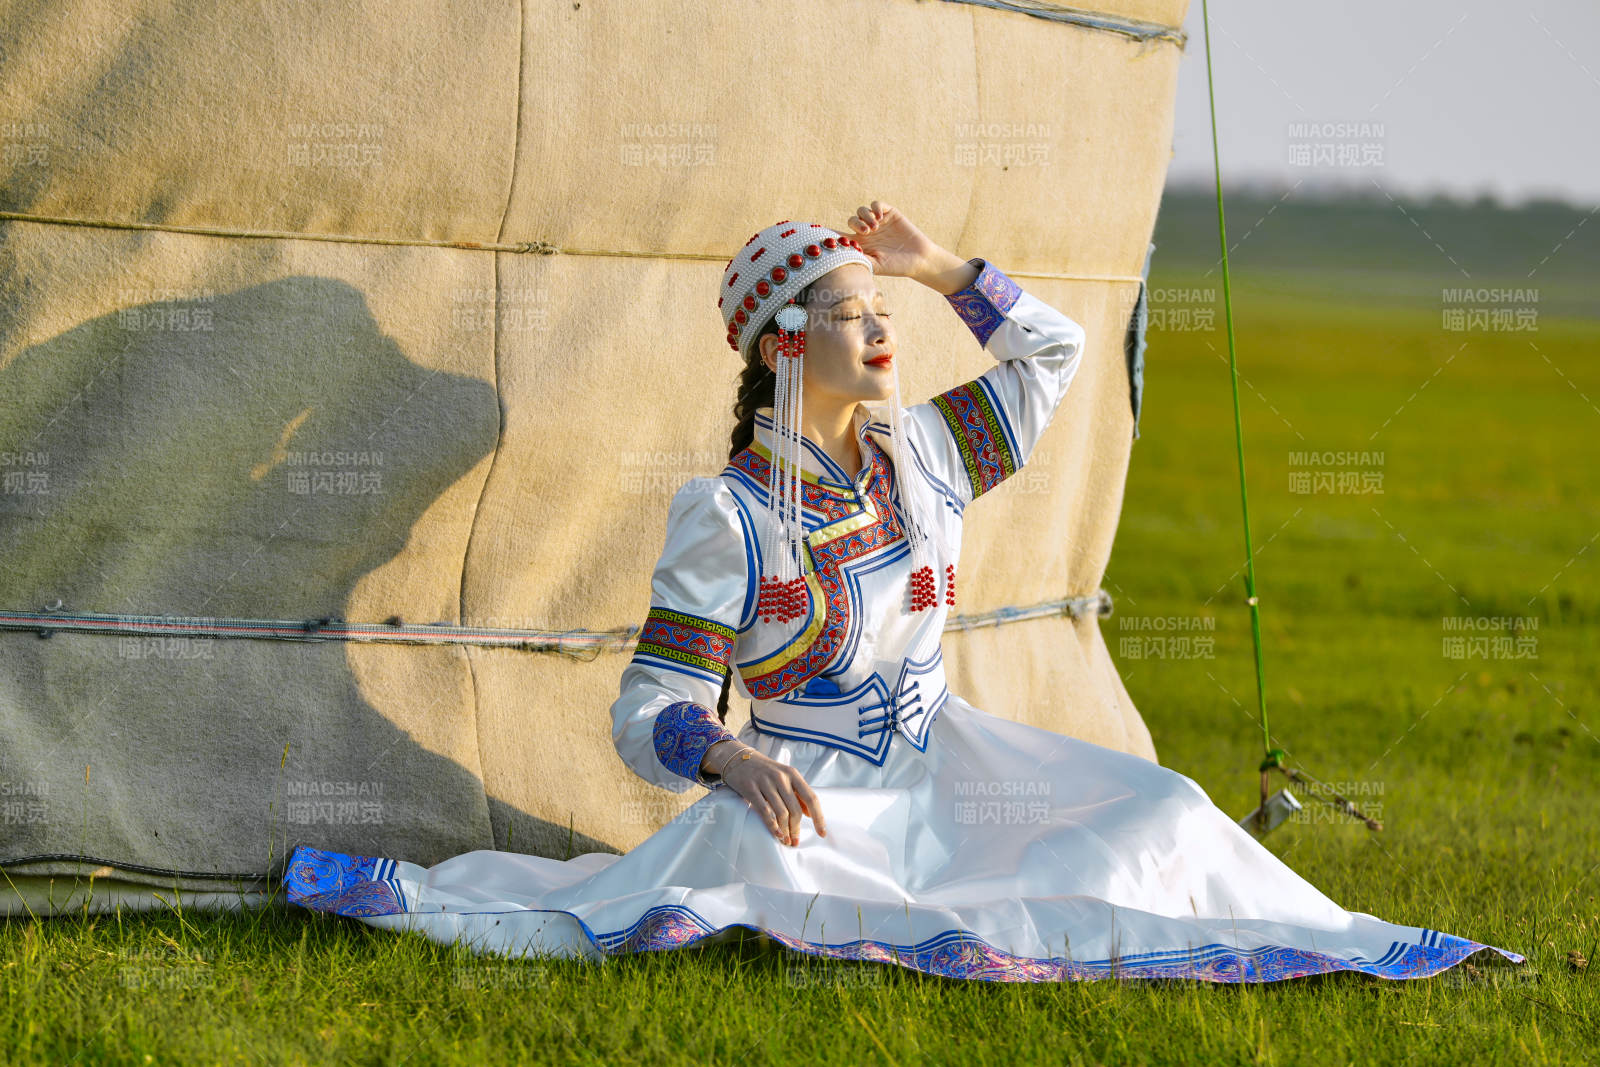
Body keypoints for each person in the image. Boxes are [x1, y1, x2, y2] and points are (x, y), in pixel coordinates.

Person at [283, 202, 1525, 983]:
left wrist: (936, 266)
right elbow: (646, 705)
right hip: (813, 798)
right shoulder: (729, 515)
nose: (884, 331)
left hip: (956, 763)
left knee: (1163, 809)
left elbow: (1056, 351)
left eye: (886, 312)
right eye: (852, 314)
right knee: (792, 881)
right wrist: (729, 758)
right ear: (785, 344)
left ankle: (1359, 945)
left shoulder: (924, 452)